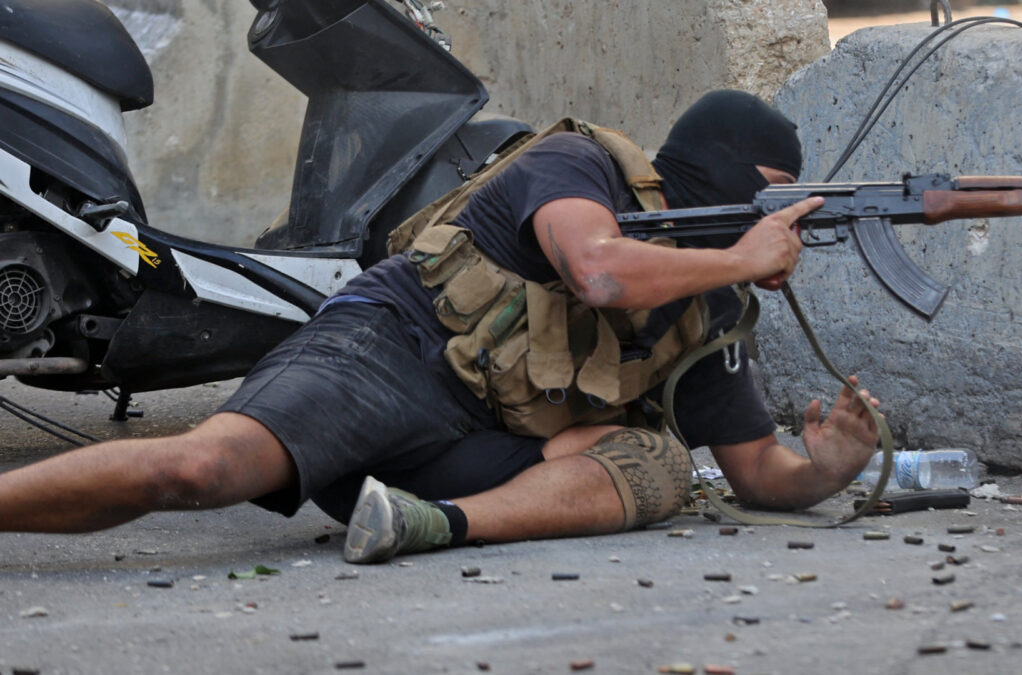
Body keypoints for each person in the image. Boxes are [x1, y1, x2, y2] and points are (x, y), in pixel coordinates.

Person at [0, 91, 881, 563]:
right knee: (199, 468)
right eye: (768, 200)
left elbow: (758, 472)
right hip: (386, 352)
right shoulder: (580, 166)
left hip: (459, 462)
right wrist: (744, 254)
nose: (781, 228)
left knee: (654, 461)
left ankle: (431, 525)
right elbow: (598, 269)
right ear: (717, 176)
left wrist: (826, 471)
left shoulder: (711, 306)